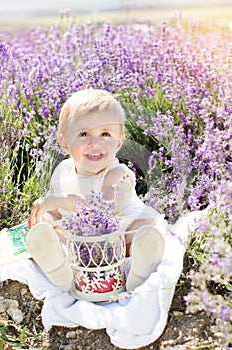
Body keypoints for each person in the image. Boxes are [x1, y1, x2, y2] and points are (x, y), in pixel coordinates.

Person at [27, 89, 165, 292]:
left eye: (105, 134)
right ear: (65, 142)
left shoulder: (117, 175)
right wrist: (46, 216)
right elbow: (57, 213)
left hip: (119, 236)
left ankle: (139, 272)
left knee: (143, 230)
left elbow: (100, 217)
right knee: (49, 226)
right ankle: (59, 267)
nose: (95, 143)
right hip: (82, 242)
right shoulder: (62, 172)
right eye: (83, 134)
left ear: (119, 142)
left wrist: (60, 200)